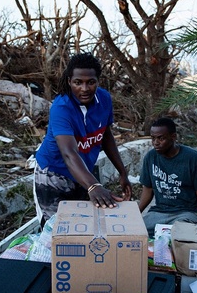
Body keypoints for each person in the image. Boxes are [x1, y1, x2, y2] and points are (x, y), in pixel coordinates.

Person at [33, 53, 132, 226]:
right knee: (55, 231)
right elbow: (69, 153)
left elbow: (105, 135)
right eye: (78, 82)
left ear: (98, 81)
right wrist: (93, 186)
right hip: (54, 174)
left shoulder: (104, 99)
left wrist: (122, 172)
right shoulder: (61, 108)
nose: (84, 88)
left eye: (90, 82)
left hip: (82, 172)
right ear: (69, 81)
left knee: (83, 226)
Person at [138, 117, 197, 237]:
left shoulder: (193, 158)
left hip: (187, 213)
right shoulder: (151, 157)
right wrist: (135, 217)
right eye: (153, 138)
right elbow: (148, 190)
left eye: (161, 138)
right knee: (137, 234)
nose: (156, 142)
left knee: (181, 236)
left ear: (173, 137)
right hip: (159, 213)